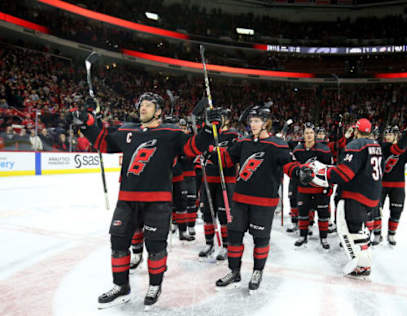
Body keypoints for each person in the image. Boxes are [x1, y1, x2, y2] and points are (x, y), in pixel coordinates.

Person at [72, 93, 221, 308]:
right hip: (127, 200)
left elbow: (192, 148)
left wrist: (209, 129)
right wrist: (86, 124)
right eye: (141, 104)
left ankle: (155, 285)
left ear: (158, 111)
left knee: (155, 245)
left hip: (157, 201)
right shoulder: (127, 130)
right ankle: (121, 286)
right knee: (118, 242)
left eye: (149, 105)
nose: (143, 108)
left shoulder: (171, 133)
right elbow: (103, 142)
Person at [213, 105, 310, 292]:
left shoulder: (277, 144)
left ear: (266, 123)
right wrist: (214, 152)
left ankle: (257, 271)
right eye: (251, 121)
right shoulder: (243, 142)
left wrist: (298, 171)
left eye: (256, 121)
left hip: (263, 202)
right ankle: (234, 271)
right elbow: (226, 160)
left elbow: (289, 164)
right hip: (240, 199)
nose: (252, 124)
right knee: (234, 236)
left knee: (260, 239)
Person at [308, 118, 382, 280]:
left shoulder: (356, 145)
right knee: (360, 229)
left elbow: (345, 174)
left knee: (352, 230)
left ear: (356, 130)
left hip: (356, 194)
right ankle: (364, 261)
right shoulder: (375, 145)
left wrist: (324, 173)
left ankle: (363, 266)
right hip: (372, 193)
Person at [372, 126, 407, 246]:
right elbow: (397, 149)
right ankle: (377, 234)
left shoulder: (404, 149)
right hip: (381, 185)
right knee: (376, 211)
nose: (387, 137)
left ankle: (391, 235)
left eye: (390, 135)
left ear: (396, 136)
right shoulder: (383, 146)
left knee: (396, 211)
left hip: (398, 186)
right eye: (386, 134)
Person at [198, 109, 239, 261]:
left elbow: (233, 156)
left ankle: (226, 245)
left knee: (224, 215)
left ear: (227, 119)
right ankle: (209, 244)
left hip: (226, 180)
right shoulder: (209, 134)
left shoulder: (233, 135)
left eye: (222, 117)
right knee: (207, 214)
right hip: (209, 179)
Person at [292, 123, 333, 249]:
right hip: (303, 188)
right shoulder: (297, 150)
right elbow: (293, 168)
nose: (309, 135)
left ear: (314, 134)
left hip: (320, 188)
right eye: (306, 133)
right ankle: (302, 236)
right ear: (303, 135)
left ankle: (324, 238)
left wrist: (329, 187)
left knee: (323, 214)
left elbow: (329, 170)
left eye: (310, 133)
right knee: (303, 213)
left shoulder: (324, 149)